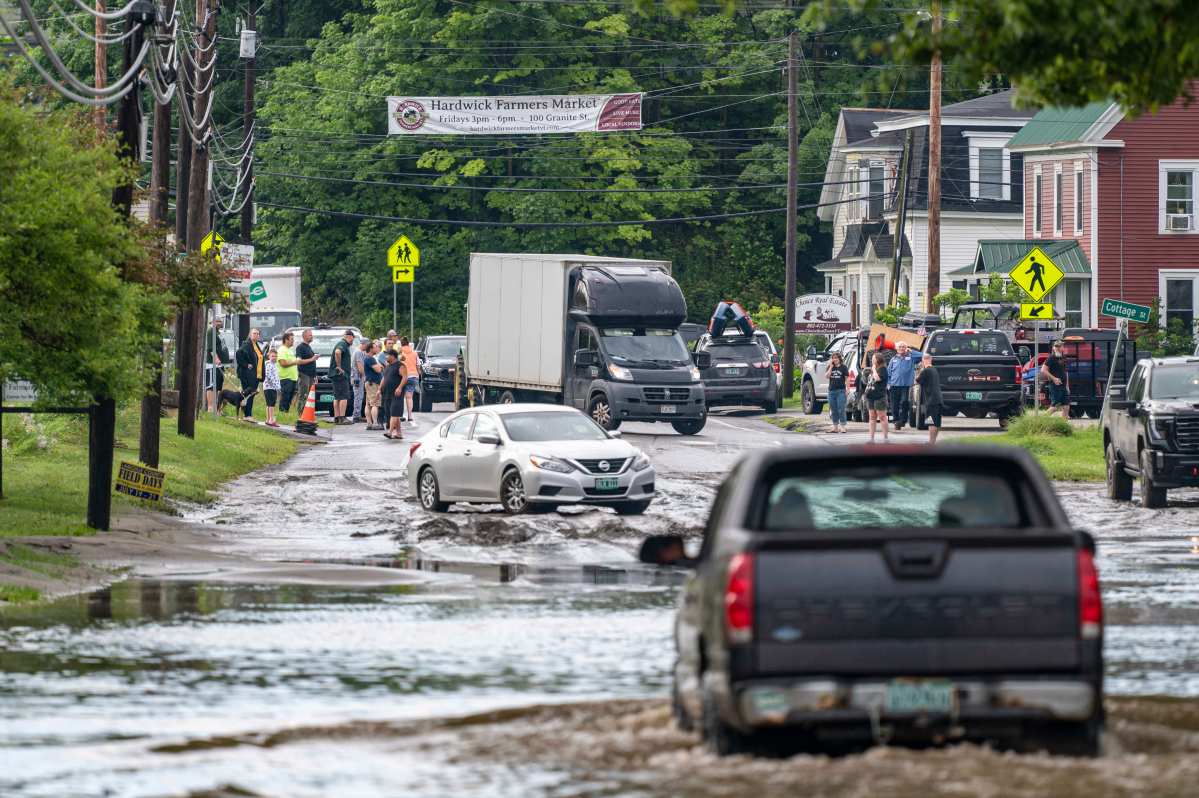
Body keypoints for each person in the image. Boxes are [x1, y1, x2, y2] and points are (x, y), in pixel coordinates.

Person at [887, 340, 921, 430]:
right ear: (897, 349)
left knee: (904, 402)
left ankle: (903, 420)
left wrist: (911, 351)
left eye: (903, 347)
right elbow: (888, 373)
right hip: (894, 385)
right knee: (894, 404)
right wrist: (888, 384)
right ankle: (896, 421)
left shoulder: (911, 358)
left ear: (906, 349)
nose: (901, 348)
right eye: (900, 347)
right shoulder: (893, 359)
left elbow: (922, 355)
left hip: (906, 386)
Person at [235, 328, 265, 421]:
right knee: (248, 394)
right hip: (247, 375)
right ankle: (247, 415)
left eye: (257, 334)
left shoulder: (256, 345)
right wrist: (246, 365)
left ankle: (247, 414)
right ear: (250, 334)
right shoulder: (247, 344)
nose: (256, 335)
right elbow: (238, 353)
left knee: (251, 394)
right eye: (254, 333)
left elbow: (258, 358)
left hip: (256, 375)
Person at [380, 349, 408, 440]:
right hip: (387, 393)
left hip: (397, 394)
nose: (386, 357)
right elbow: (384, 379)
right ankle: (399, 433)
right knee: (393, 413)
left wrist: (399, 387)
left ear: (393, 356)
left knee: (394, 413)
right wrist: (379, 390)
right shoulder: (388, 366)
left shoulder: (400, 366)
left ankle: (390, 432)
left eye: (387, 355)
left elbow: (405, 377)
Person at [205, 318, 231, 413]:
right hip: (212, 364)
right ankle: (210, 407)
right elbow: (211, 348)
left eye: (220, 321)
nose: (219, 323)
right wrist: (216, 359)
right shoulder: (211, 331)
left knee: (218, 386)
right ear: (212, 322)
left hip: (220, 365)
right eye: (217, 321)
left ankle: (217, 407)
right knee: (211, 386)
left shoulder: (217, 332)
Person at [916, 353, 943, 444]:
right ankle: (933, 442)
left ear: (923, 360)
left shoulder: (926, 371)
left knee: (931, 422)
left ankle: (931, 442)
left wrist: (919, 370)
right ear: (931, 359)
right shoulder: (934, 369)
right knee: (937, 422)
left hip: (930, 400)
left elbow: (916, 381)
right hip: (938, 399)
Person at [1041, 339, 1070, 419]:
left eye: (1062, 346)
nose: (1062, 348)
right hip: (1055, 385)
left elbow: (1065, 372)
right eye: (1061, 346)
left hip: (1064, 385)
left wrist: (1067, 386)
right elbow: (1043, 370)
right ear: (1055, 348)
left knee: (1066, 407)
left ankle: (1063, 426)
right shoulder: (1051, 358)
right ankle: (1041, 421)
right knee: (1055, 407)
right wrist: (1054, 379)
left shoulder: (1063, 357)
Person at [330, 329, 355, 424]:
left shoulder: (342, 343)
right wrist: (339, 366)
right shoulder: (343, 343)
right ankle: (342, 417)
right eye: (352, 339)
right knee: (344, 396)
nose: (352, 342)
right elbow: (337, 352)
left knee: (337, 397)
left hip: (336, 375)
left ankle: (337, 417)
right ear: (349, 336)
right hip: (340, 375)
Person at [866, 351, 889, 444]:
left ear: (878, 359)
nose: (872, 360)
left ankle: (885, 437)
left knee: (882, 417)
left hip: (879, 396)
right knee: (872, 417)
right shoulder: (874, 368)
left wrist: (874, 370)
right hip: (871, 396)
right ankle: (871, 438)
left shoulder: (883, 369)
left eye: (873, 358)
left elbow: (878, 379)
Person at [275, 331, 299, 413]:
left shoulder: (290, 350)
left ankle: (286, 413)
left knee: (289, 398)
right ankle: (282, 413)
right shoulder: (282, 350)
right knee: (285, 397)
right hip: (285, 378)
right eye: (291, 339)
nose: (293, 341)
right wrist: (295, 362)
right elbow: (283, 363)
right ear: (286, 340)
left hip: (292, 378)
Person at [294, 329, 319, 407]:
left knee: (309, 396)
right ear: (304, 336)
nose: (312, 337)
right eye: (310, 335)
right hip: (304, 375)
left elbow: (312, 362)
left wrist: (315, 375)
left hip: (311, 376)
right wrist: (312, 359)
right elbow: (299, 361)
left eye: (311, 335)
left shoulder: (308, 347)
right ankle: (301, 414)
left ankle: (307, 415)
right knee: (303, 395)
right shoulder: (300, 347)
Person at [826, 351, 850, 433]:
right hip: (831, 391)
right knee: (833, 409)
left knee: (841, 408)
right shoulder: (830, 367)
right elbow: (827, 376)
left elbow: (847, 378)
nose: (835, 359)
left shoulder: (844, 367)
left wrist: (848, 389)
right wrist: (831, 367)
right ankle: (835, 427)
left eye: (836, 358)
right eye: (833, 358)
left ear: (839, 359)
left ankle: (843, 426)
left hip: (841, 391)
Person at [363, 342, 384, 430]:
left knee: (368, 403)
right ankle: (375, 423)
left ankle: (369, 423)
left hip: (369, 383)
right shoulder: (370, 359)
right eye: (375, 347)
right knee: (375, 403)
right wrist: (380, 366)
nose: (377, 348)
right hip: (373, 384)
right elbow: (379, 370)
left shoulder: (368, 358)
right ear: (371, 349)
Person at [399, 336, 420, 424]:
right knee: (409, 397)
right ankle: (410, 416)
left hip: (402, 376)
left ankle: (400, 415)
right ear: (408, 344)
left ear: (401, 344)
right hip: (413, 376)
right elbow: (418, 365)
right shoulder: (414, 353)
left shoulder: (400, 352)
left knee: (399, 397)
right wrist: (419, 374)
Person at [351, 338, 369, 423]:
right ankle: (356, 416)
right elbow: (360, 366)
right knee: (358, 396)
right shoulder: (358, 352)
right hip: (357, 377)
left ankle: (357, 415)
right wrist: (365, 376)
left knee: (359, 396)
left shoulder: (359, 352)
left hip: (357, 377)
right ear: (364, 344)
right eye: (367, 345)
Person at [262, 348, 281, 427]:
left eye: (276, 356)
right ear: (268, 356)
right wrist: (277, 386)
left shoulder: (273, 365)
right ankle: (271, 420)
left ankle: (268, 419)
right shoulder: (269, 365)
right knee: (271, 404)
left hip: (270, 387)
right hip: (270, 387)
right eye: (273, 356)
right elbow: (269, 376)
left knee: (269, 404)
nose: (274, 358)